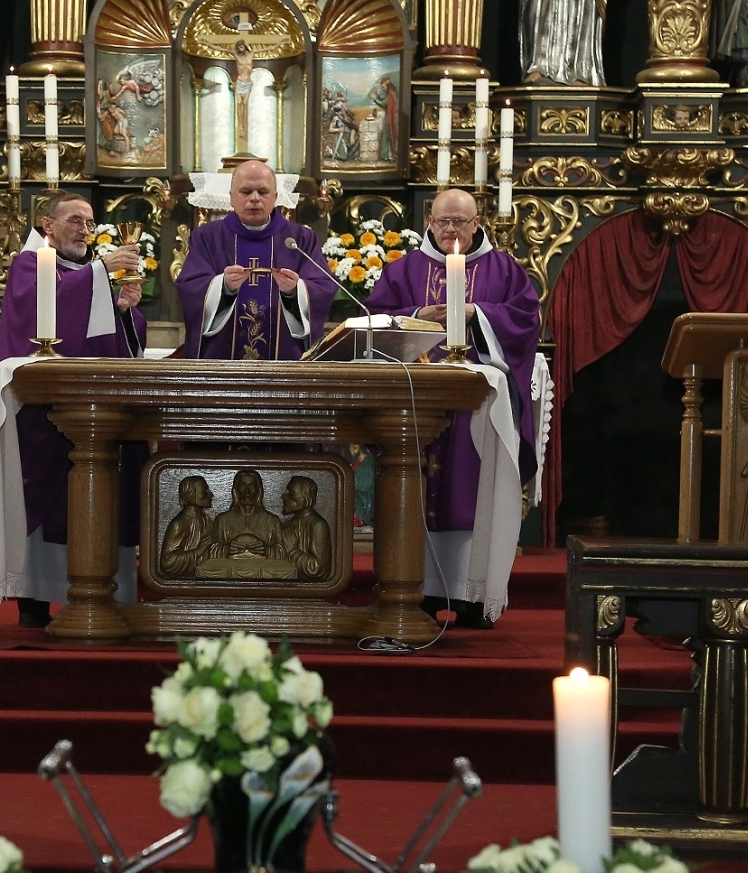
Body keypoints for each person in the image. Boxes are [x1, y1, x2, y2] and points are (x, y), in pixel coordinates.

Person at [366, 189, 542, 628]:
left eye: (460, 222)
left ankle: (473, 596)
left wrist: (476, 314)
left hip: (477, 407)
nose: (450, 230)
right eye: (443, 221)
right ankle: (416, 591)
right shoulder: (403, 270)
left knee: (473, 490)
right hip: (415, 403)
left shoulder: (504, 270)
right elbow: (374, 321)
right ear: (429, 220)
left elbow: (526, 320)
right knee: (414, 488)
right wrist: (417, 314)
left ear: (477, 222)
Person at [0, 191, 147, 626]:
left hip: (98, 408)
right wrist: (103, 270)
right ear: (48, 225)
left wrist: (124, 310)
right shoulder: (30, 265)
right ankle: (35, 598)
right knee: (49, 496)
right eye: (75, 221)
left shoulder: (90, 272)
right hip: (47, 413)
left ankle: (108, 593)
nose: (85, 230)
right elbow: (39, 317)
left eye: (89, 223)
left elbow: (113, 340)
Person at [176, 159, 335, 361]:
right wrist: (223, 287)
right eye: (245, 191)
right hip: (221, 365)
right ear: (231, 197)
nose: (254, 199)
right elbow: (190, 287)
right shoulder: (207, 237)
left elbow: (323, 287)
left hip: (285, 365)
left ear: (275, 197)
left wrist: (295, 292)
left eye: (263, 191)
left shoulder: (300, 239)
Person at [279, 475, 332, 580]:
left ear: (306, 497)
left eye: (291, 492)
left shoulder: (318, 525)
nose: (283, 496)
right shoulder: (287, 525)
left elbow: (316, 568)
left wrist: (292, 551)